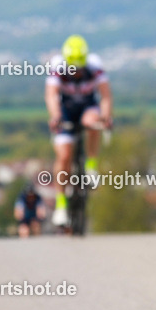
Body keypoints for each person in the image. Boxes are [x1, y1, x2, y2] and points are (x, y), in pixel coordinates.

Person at [45, 35, 113, 228]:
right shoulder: (57, 67)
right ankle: (61, 205)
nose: (75, 72)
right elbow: (51, 96)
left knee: (93, 123)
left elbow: (105, 96)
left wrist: (106, 117)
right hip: (65, 111)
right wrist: (56, 117)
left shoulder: (95, 66)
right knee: (64, 156)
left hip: (87, 108)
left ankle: (91, 166)